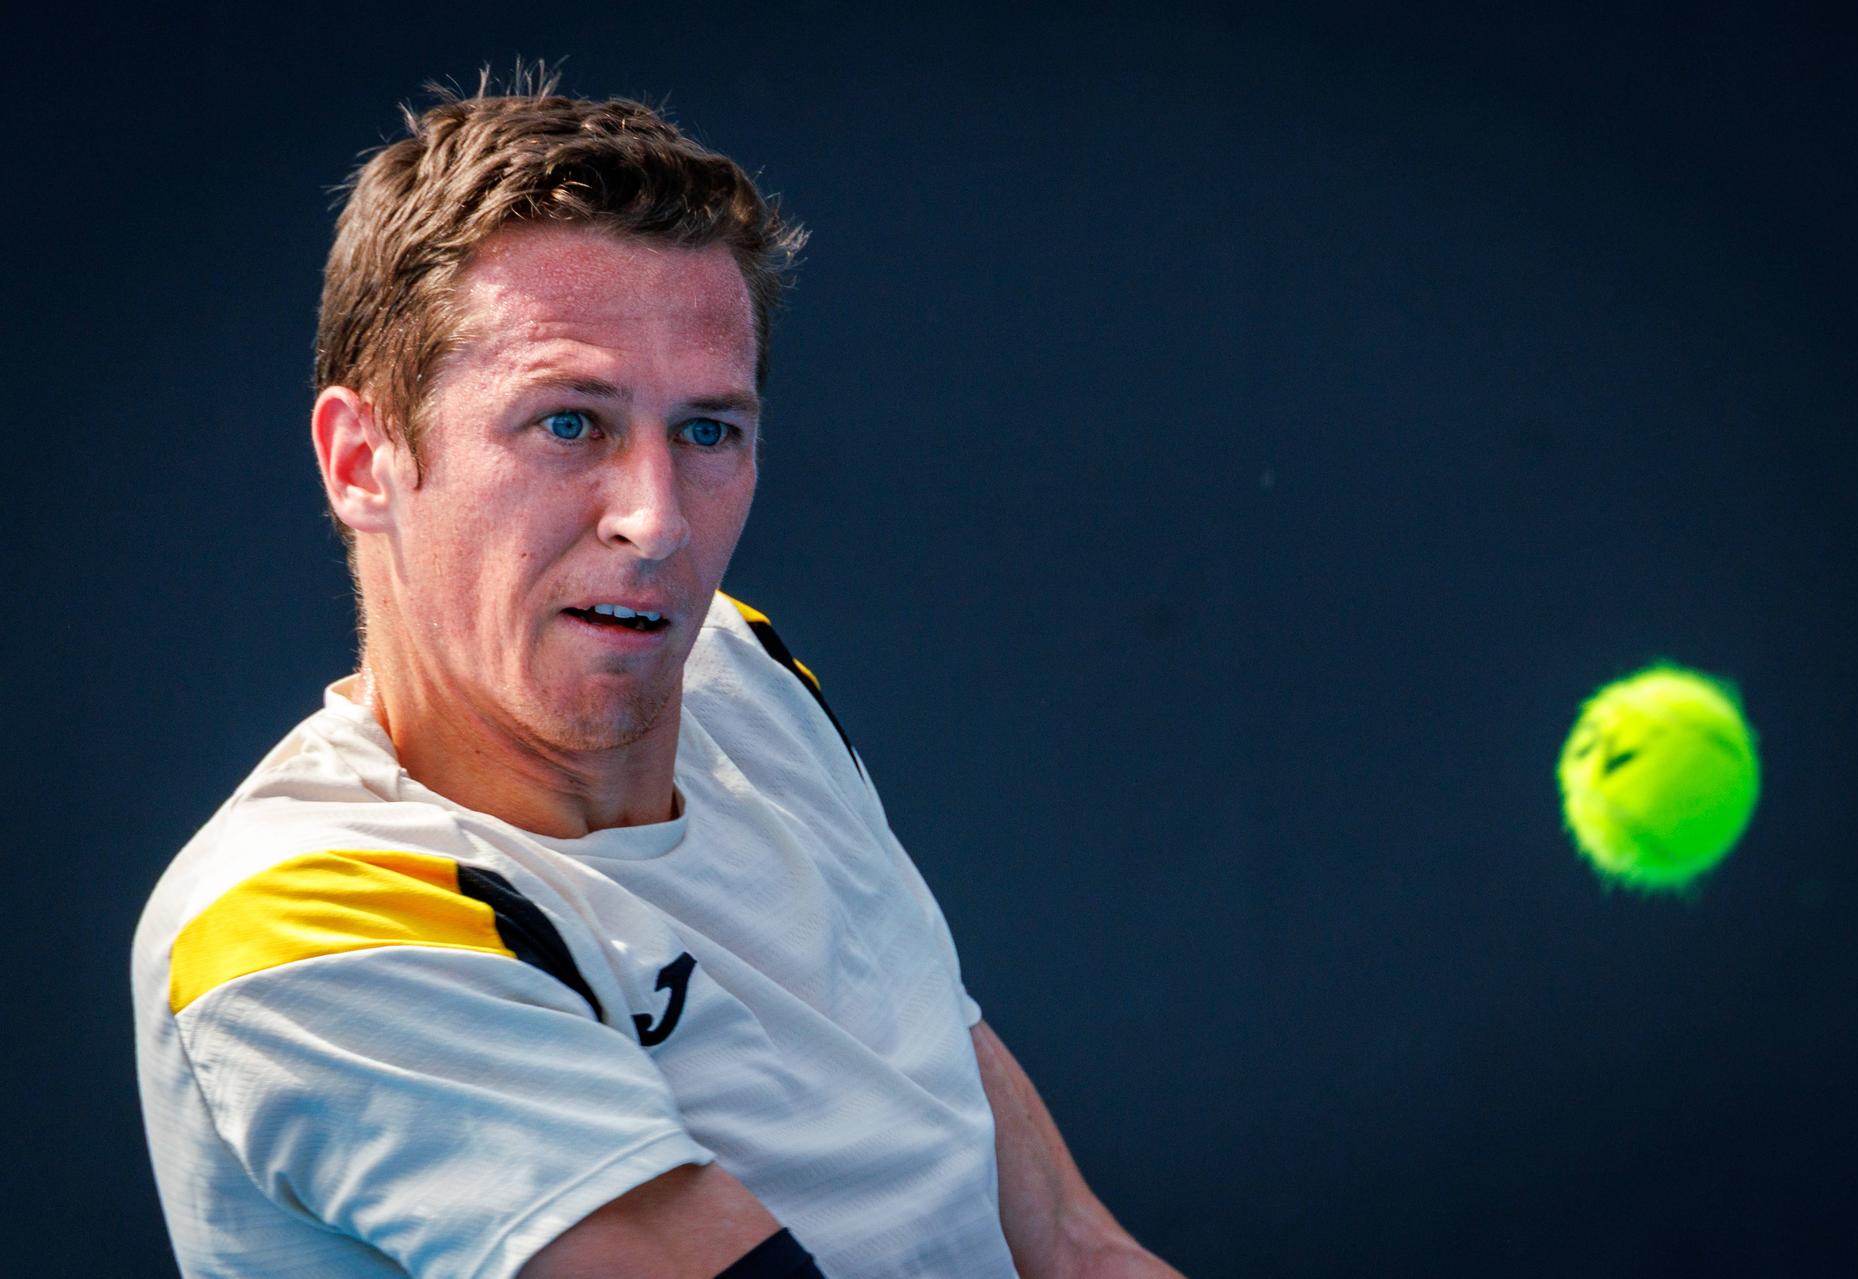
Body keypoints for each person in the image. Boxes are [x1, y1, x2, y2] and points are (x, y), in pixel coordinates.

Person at [131, 70, 1185, 1279]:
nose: (657, 521)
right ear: (363, 459)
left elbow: (1037, 1205)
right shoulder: (304, 922)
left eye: (706, 431)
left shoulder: (735, 668)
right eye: (569, 423)